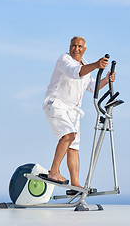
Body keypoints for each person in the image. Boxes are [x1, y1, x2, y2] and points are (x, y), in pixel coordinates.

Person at [43, 36, 115, 188]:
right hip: (56, 104)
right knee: (69, 135)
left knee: (74, 147)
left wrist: (107, 79)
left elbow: (91, 86)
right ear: (70, 47)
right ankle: (54, 171)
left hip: (73, 111)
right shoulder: (64, 59)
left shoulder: (86, 64)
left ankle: (75, 184)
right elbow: (74, 72)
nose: (76, 49)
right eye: (73, 46)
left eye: (80, 46)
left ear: (85, 49)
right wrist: (96, 65)